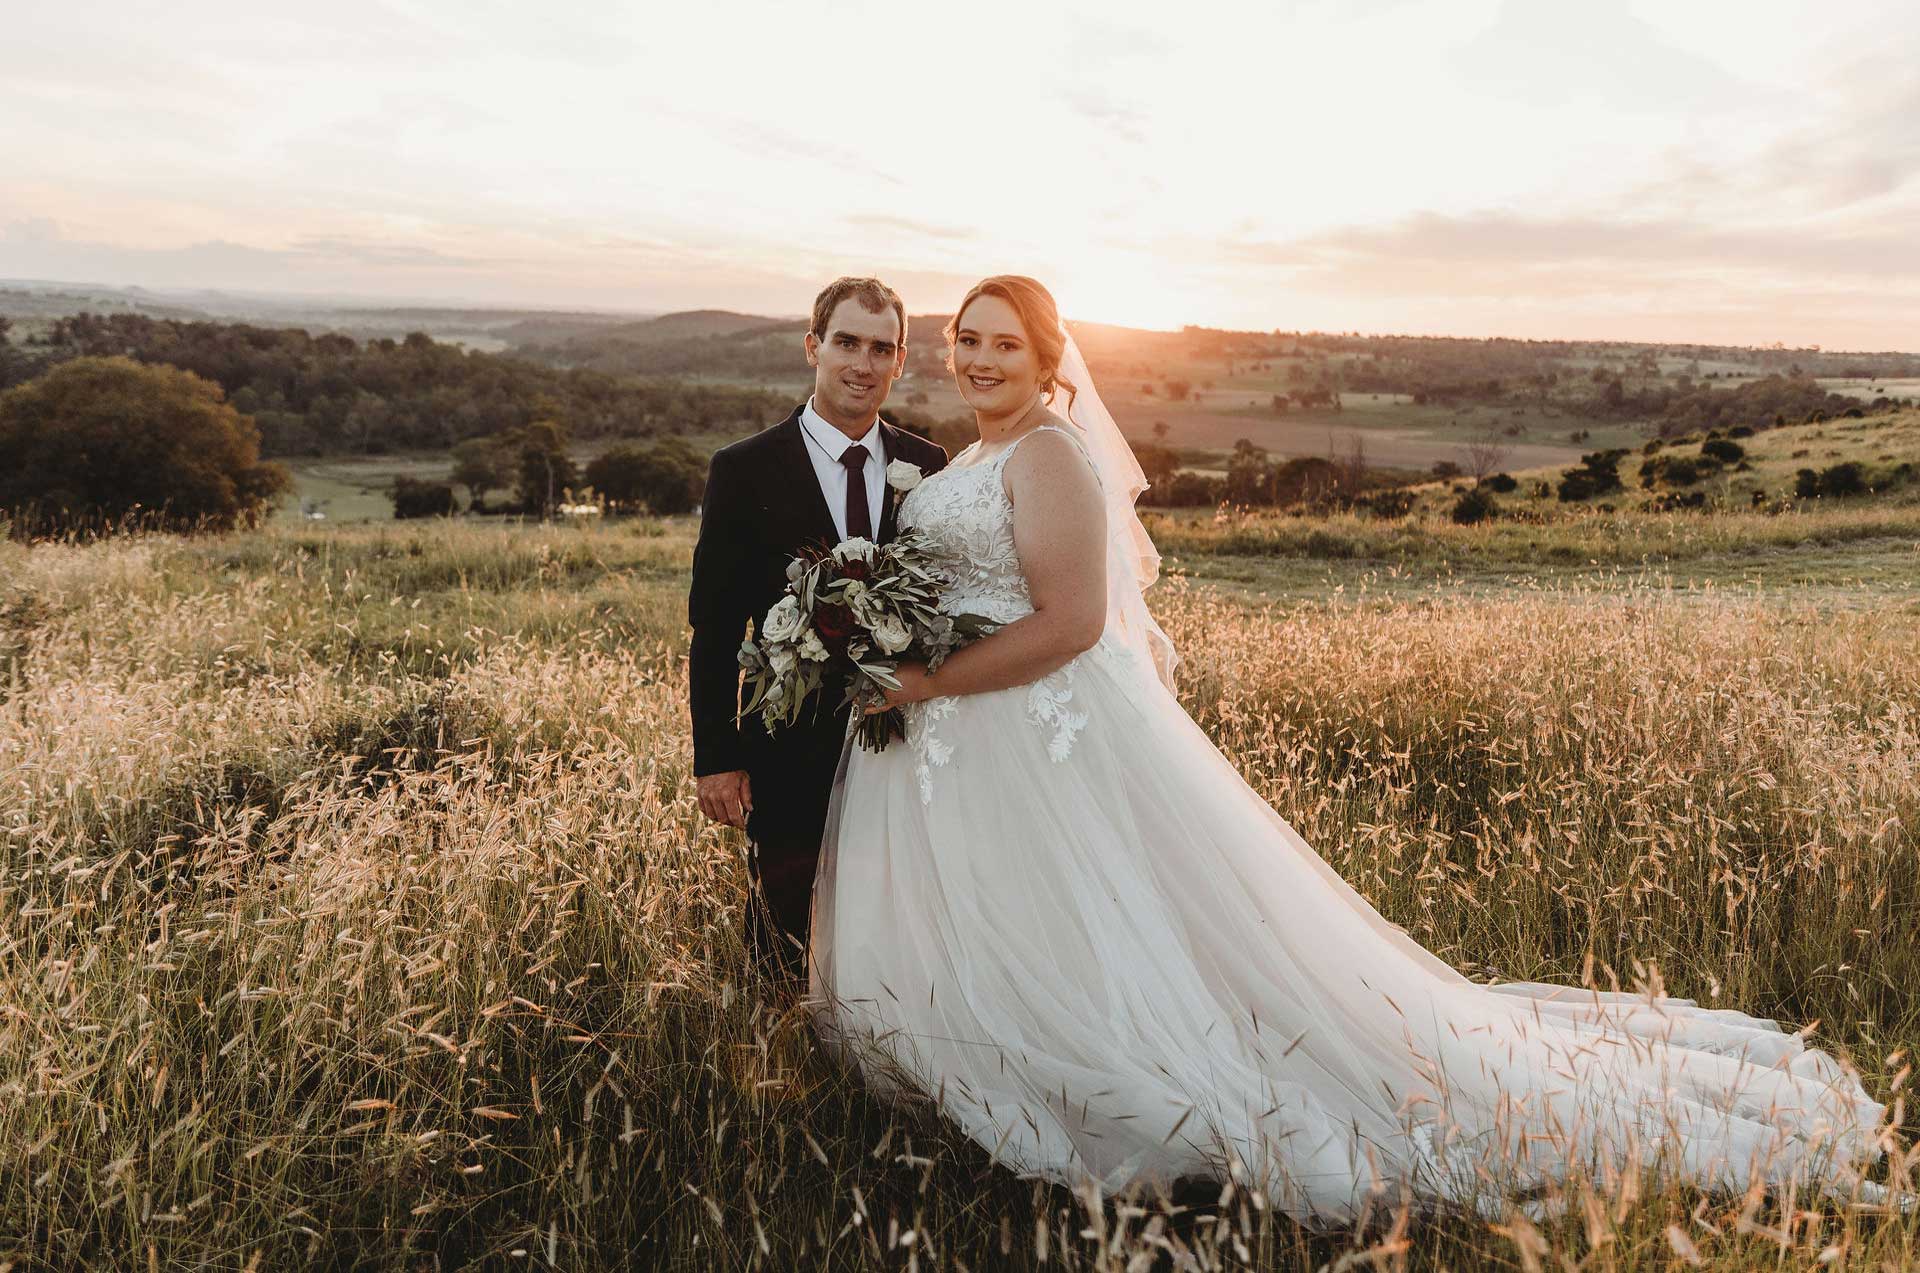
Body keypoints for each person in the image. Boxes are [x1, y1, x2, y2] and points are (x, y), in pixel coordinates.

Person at [807, 275, 1893, 1221]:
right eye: (969, 338)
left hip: (1035, 731)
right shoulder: (955, 463)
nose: (982, 356)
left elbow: (1073, 622)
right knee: (1017, 919)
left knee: (1111, 923)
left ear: (1049, 362)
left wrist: (928, 677)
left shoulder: (1046, 454)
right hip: (958, 740)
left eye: (1006, 341)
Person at [687, 276, 948, 986]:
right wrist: (715, 754)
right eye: (847, 343)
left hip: (904, 739)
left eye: (881, 348)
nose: (862, 364)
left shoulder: (928, 466)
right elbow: (713, 625)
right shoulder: (742, 469)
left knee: (897, 916)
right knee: (784, 928)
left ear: (899, 361)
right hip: (786, 743)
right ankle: (780, 1072)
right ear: (814, 347)